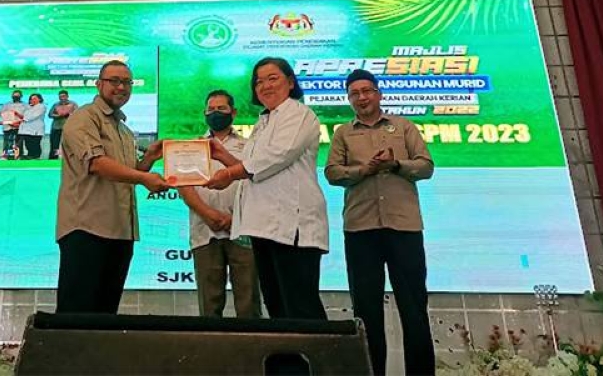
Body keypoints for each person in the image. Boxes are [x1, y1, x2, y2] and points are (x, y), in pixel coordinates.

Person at [326, 69, 436, 376]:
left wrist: (396, 165)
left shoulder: (403, 126)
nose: (362, 98)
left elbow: (426, 166)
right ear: (349, 100)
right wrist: (365, 169)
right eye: (354, 94)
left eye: (367, 91)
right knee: (366, 312)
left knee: (414, 309)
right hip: (361, 230)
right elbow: (332, 173)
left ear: (379, 94)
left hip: (404, 227)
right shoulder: (342, 133)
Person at [207, 57, 328, 320]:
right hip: (262, 226)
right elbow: (252, 167)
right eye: (259, 81)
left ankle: (319, 361)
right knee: (277, 307)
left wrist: (228, 173)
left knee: (300, 307)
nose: (265, 86)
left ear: (290, 82)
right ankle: (285, 362)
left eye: (272, 78)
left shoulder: (298, 114)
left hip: (292, 226)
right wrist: (223, 156)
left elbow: (277, 156)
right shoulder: (264, 121)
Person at [55, 60, 167, 313]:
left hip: (120, 232)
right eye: (114, 81)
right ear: (98, 84)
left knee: (105, 315)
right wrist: (145, 179)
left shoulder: (124, 130)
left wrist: (148, 159)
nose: (121, 87)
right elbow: (97, 165)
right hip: (87, 229)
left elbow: (128, 174)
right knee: (77, 314)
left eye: (127, 82)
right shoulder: (84, 118)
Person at [178, 90, 261, 318]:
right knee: (209, 305)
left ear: (233, 113)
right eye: (211, 109)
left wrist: (234, 220)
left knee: (249, 303)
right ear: (204, 114)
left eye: (221, 109)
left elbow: (255, 182)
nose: (216, 113)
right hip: (205, 231)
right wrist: (209, 215)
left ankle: (251, 351)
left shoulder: (250, 146)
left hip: (243, 231)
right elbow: (183, 186)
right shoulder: (192, 147)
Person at [48, 90, 76, 159]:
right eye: (60, 96)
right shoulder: (55, 104)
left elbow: (77, 114)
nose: (62, 98)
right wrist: (58, 115)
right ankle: (53, 159)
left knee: (70, 144)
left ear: (67, 96)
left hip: (69, 128)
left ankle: (71, 159)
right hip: (56, 127)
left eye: (63, 96)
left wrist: (69, 114)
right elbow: (50, 114)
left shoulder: (73, 104)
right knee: (54, 145)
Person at [0, 89, 25, 159]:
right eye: (14, 96)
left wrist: (18, 123)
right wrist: (11, 124)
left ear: (21, 96)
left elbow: (27, 116)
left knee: (19, 143)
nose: (15, 97)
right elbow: (2, 114)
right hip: (8, 127)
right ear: (12, 96)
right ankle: (7, 157)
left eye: (17, 96)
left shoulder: (25, 105)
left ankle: (18, 156)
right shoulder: (6, 105)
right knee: (7, 143)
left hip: (20, 127)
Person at [19, 93, 46, 159]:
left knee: (35, 144)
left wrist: (23, 119)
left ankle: (36, 157)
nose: (32, 100)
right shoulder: (28, 107)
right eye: (31, 99)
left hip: (36, 130)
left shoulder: (41, 106)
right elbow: (24, 117)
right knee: (28, 145)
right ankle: (30, 156)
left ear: (39, 99)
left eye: (34, 98)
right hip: (26, 130)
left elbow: (33, 116)